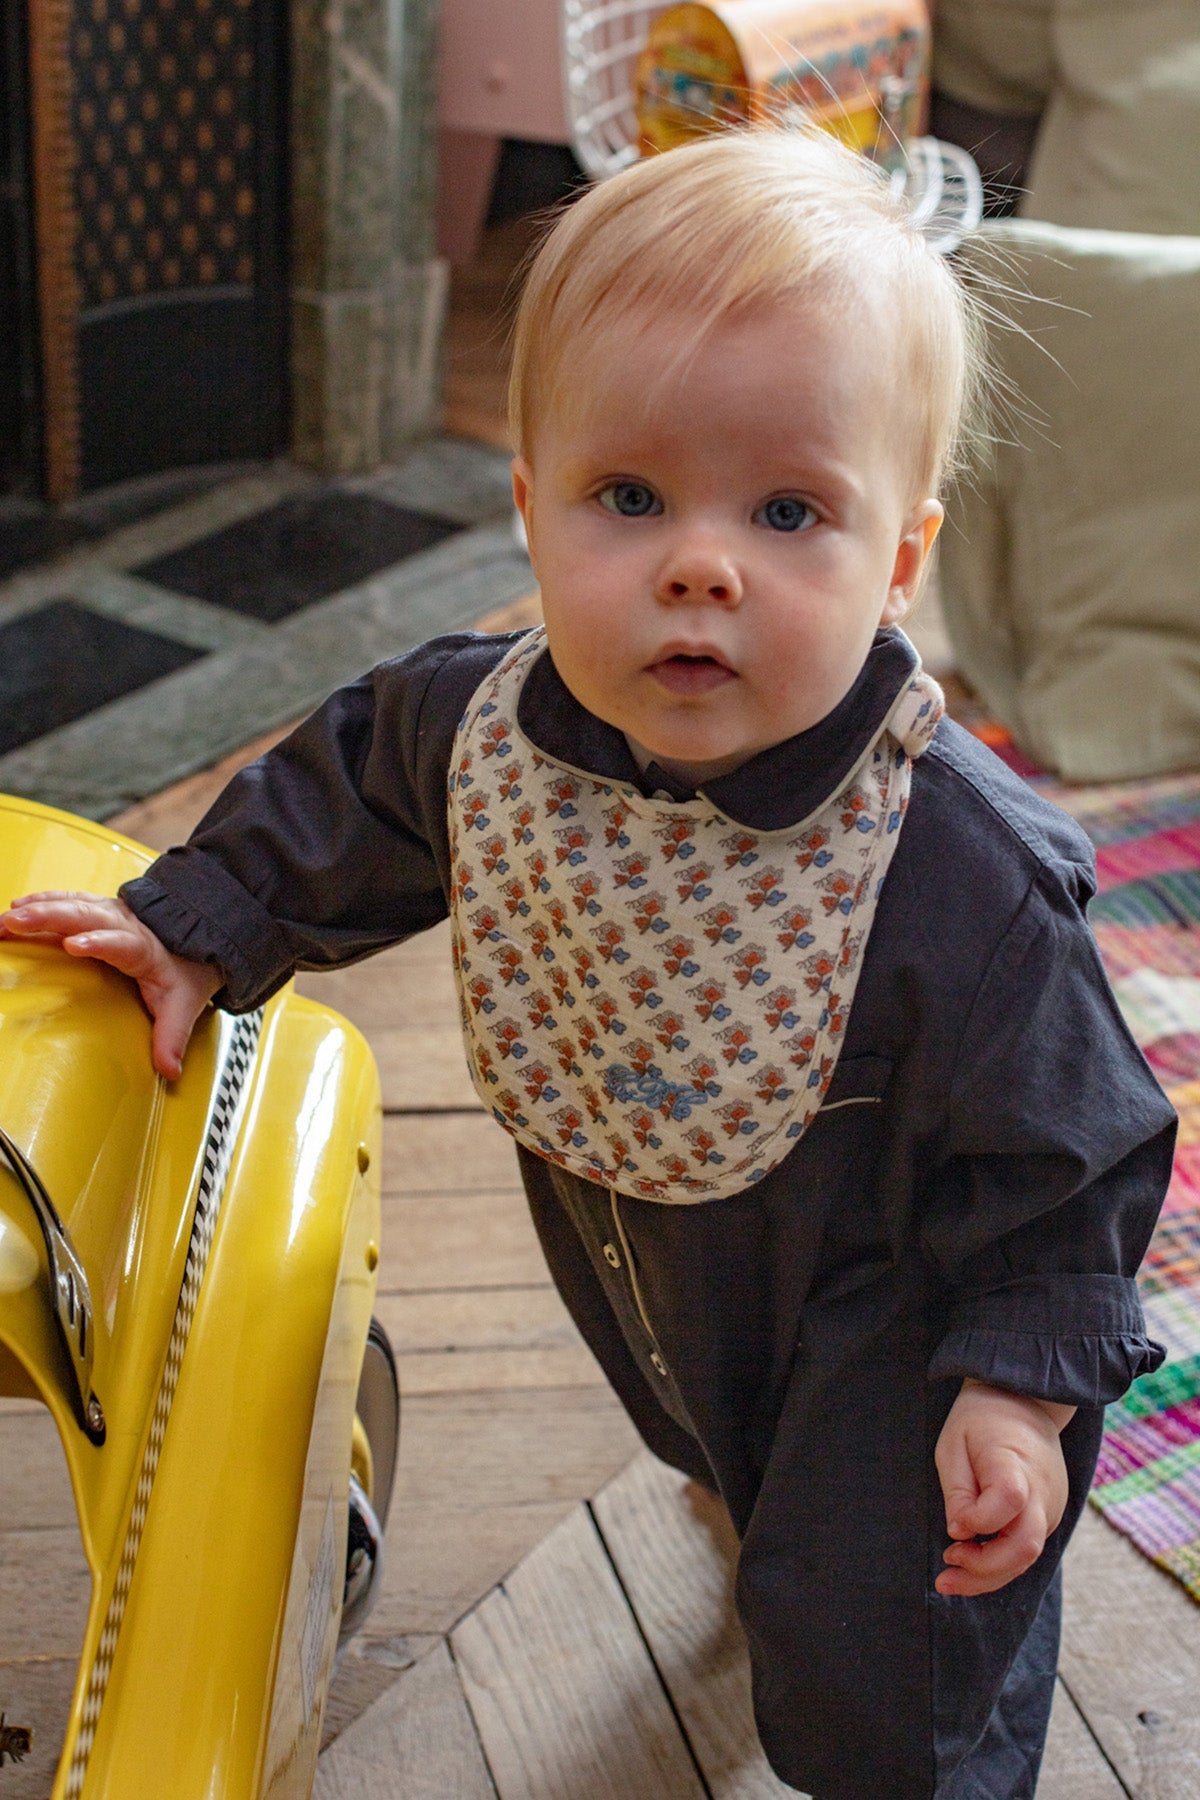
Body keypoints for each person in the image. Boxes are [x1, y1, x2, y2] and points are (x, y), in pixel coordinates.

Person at [0, 126, 1174, 1799]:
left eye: (788, 510)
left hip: (902, 1291)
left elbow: (1072, 1155)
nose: (702, 562)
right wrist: (199, 927)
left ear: (898, 558)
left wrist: (1017, 1389)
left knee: (880, 1631)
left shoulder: (961, 872)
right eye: (633, 498)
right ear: (532, 511)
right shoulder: (480, 724)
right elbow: (356, 794)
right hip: (644, 1226)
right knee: (703, 1435)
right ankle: (742, 1483)